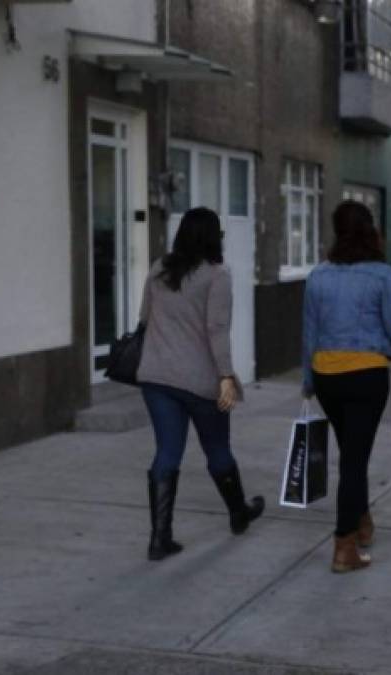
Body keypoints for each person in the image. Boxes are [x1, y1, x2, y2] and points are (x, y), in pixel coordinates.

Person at [302, 200, 391, 573]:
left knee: (350, 453)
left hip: (326, 377)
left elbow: (309, 332)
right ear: (371, 230)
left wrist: (309, 382)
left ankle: (362, 521)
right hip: (366, 377)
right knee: (354, 461)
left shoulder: (318, 276)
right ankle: (344, 547)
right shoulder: (381, 275)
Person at [137, 207, 264, 562]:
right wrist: (226, 376)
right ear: (213, 238)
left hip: (157, 378)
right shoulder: (216, 276)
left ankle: (159, 538)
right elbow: (216, 330)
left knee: (167, 453)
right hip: (199, 380)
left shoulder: (160, 267)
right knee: (217, 450)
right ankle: (238, 513)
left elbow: (144, 318)